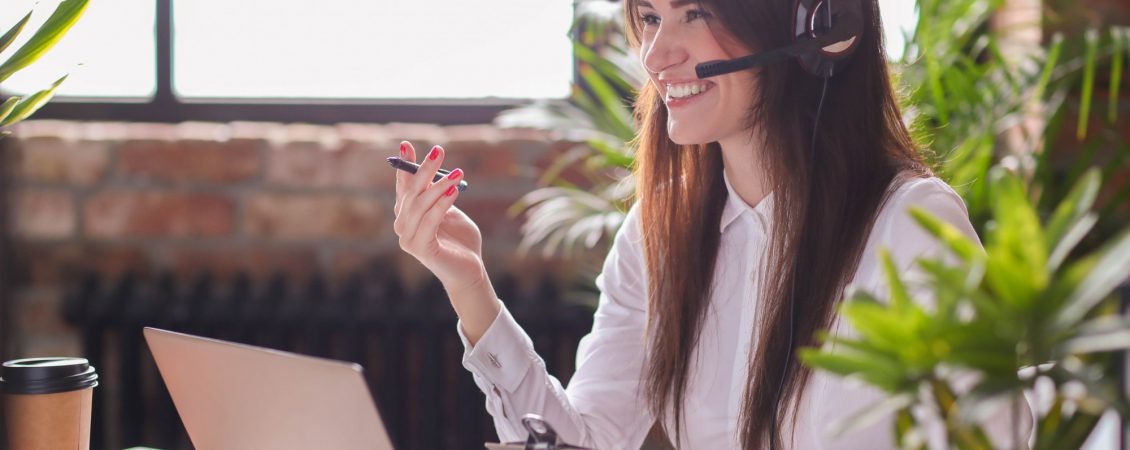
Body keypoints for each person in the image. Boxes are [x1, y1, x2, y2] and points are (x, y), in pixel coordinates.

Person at [392, 0, 1031, 448]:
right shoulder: (658, 232)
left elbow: (994, 439)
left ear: (816, 27)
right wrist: (469, 288)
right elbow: (582, 443)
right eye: (649, 17)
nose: (655, 55)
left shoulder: (907, 226)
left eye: (695, 14)